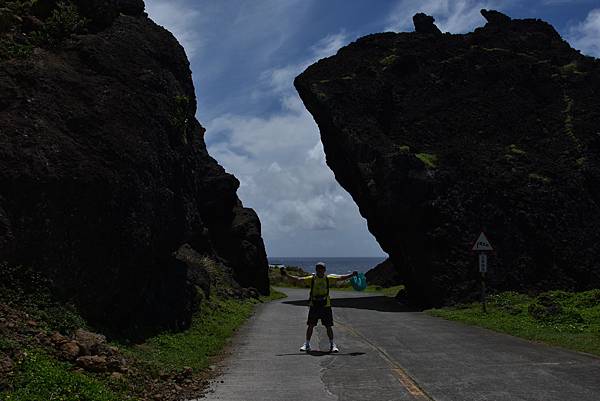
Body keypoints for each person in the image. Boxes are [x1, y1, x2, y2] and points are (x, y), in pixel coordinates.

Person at [281, 262, 357, 353]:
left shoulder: (328, 278)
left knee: (328, 326)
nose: (320, 271)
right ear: (316, 270)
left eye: (322, 269)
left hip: (326, 305)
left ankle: (332, 344)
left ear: (325, 270)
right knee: (310, 325)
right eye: (318, 269)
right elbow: (298, 279)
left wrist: (352, 275)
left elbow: (341, 278)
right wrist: (287, 275)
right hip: (314, 305)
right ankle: (307, 344)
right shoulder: (312, 279)